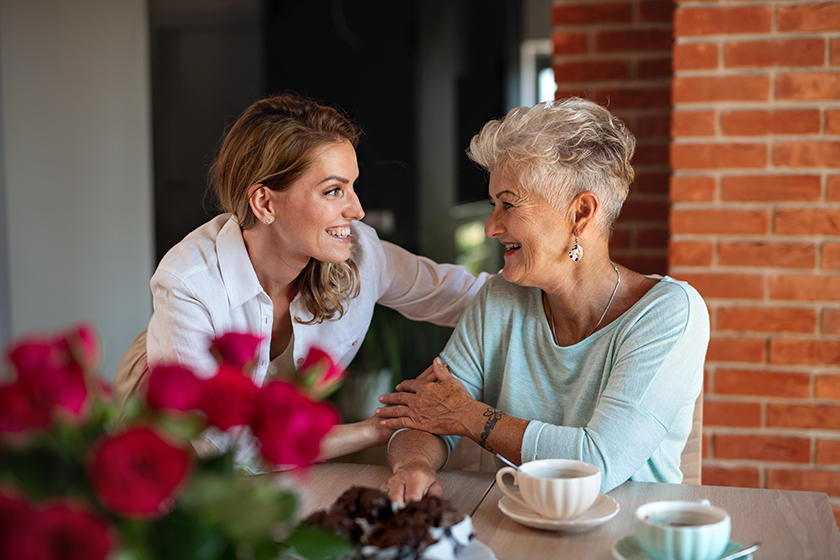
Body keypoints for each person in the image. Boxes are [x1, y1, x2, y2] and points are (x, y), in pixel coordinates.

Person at [114, 93, 490, 469]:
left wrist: (548, 276)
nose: (357, 210)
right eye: (333, 191)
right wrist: (377, 429)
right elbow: (220, 451)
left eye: (352, 186)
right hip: (173, 455)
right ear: (264, 203)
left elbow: (468, 297)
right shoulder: (188, 283)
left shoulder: (361, 255)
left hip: (278, 460)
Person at [375, 97, 710, 502]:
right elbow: (426, 415)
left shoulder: (669, 313)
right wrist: (415, 464)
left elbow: (598, 465)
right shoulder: (500, 298)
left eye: (509, 204)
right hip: (516, 526)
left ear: (581, 213)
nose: (491, 226)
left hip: (634, 536)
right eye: (493, 204)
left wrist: (467, 415)